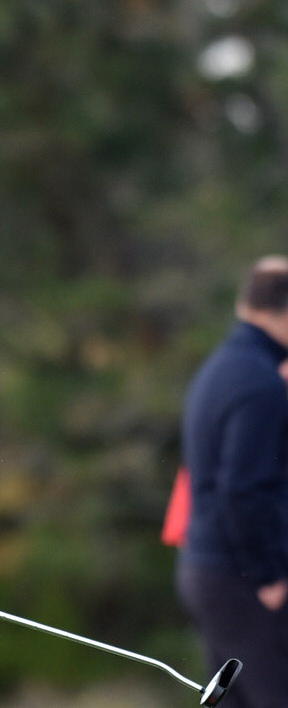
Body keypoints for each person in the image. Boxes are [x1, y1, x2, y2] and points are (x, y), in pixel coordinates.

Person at [178, 255, 288, 708]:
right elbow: (243, 488)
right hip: (240, 576)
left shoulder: (223, 367)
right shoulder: (260, 383)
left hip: (209, 570)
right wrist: (268, 574)